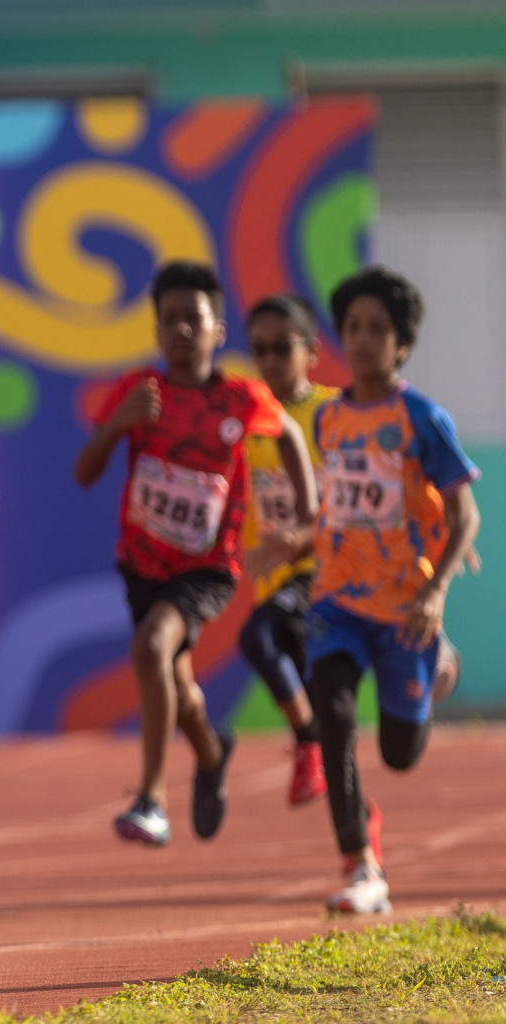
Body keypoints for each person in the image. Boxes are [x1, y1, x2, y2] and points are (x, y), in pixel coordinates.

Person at [73, 260, 315, 848]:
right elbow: (84, 473)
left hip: (207, 568)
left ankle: (152, 799)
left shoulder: (240, 397)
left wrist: (309, 513)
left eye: (194, 318)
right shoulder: (138, 392)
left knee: (151, 647)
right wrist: (116, 426)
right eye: (170, 319)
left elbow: (288, 435)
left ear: (217, 330)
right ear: (157, 329)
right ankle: (211, 751)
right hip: (142, 563)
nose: (181, 329)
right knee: (175, 688)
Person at [307, 266, 479, 914]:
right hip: (333, 601)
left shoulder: (420, 419)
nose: (361, 340)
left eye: (376, 329)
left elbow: (465, 516)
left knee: (399, 754)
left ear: (400, 344)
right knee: (333, 716)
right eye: (351, 327)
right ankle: (360, 864)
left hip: (405, 608)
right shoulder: (326, 418)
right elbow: (337, 509)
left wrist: (434, 593)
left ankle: (439, 658)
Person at [238, 294, 340, 806]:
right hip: (279, 582)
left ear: (312, 352)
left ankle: (307, 743)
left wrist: (299, 538)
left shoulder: (334, 413)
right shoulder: (247, 421)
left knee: (257, 637)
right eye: (260, 350)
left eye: (283, 348)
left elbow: (360, 500)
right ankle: (363, 850)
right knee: (326, 718)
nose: (271, 360)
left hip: (333, 576)